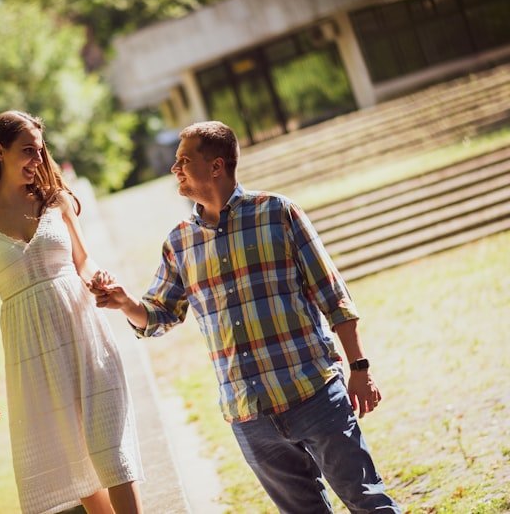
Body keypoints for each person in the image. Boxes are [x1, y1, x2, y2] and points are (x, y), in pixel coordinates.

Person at [90, 121, 400, 513]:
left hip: (314, 395)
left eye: (184, 160)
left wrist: (359, 367)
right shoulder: (179, 242)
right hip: (250, 418)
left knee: (370, 503)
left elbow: (333, 295)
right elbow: (159, 314)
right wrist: (124, 302)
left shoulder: (278, 212)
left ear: (216, 166)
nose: (175, 169)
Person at [0, 110, 144, 514]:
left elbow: (83, 261)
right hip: (32, 351)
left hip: (85, 336)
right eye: (28, 152)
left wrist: (100, 278)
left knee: (113, 457)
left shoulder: (55, 200)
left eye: (40, 152)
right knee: (78, 468)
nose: (37, 162)